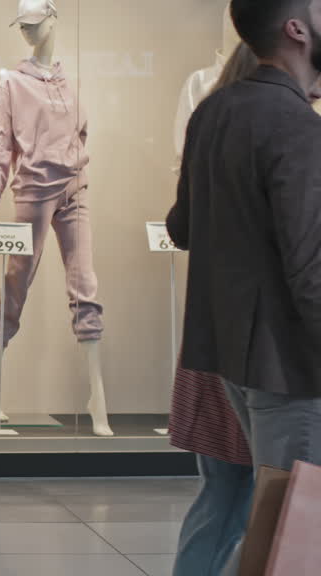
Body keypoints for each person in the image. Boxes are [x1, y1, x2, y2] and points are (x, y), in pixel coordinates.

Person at [167, 0, 321, 575]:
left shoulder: (215, 111)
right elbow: (309, 267)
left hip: (231, 356)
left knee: (269, 525)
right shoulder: (294, 125)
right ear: (297, 29)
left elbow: (182, 226)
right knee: (293, 534)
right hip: (290, 369)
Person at [169, 43, 257, 576]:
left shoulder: (210, 128)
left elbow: (181, 225)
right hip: (249, 351)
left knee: (225, 495)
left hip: (213, 339)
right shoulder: (270, 136)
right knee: (245, 500)